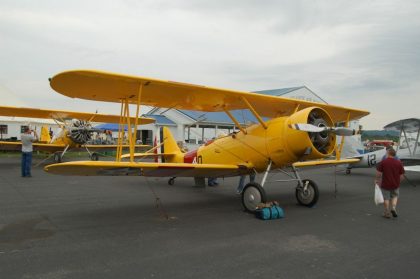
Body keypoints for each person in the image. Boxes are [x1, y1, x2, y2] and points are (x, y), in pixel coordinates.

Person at [375, 148, 404, 218]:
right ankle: (393, 208)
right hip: (395, 184)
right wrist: (398, 182)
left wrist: (377, 180)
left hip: (386, 183)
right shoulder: (399, 163)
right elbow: (402, 176)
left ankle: (386, 212)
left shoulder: (383, 162)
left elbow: (379, 173)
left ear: (388, 154)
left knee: (386, 198)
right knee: (395, 196)